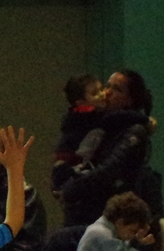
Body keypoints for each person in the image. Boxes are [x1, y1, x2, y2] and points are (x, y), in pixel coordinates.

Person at [57, 68, 154, 229]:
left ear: (129, 100)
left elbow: (110, 170)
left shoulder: (133, 131)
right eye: (107, 86)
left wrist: (71, 188)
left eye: (116, 89)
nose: (106, 93)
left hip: (112, 217)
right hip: (85, 210)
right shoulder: (100, 123)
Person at [51, 74, 103, 193]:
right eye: (95, 93)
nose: (102, 94)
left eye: (101, 89)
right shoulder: (88, 116)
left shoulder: (76, 116)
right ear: (81, 103)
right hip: (71, 162)